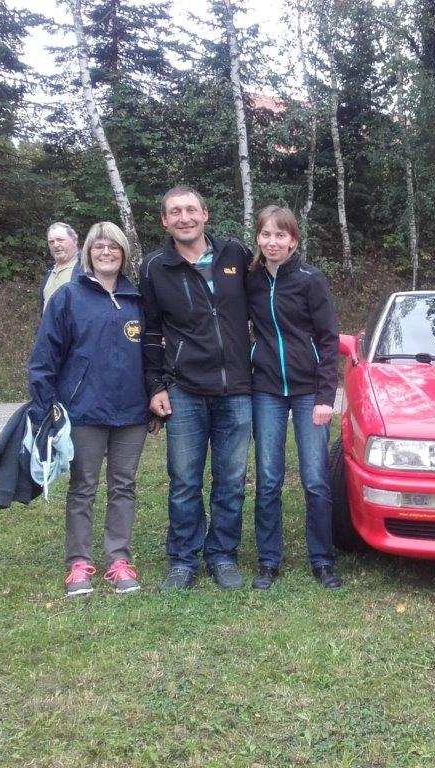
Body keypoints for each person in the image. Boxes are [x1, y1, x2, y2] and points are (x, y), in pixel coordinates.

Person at [140, 185, 254, 592]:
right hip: (184, 388)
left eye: (191, 209)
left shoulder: (235, 254)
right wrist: (155, 385)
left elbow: (267, 302)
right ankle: (183, 561)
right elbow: (151, 332)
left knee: (231, 479)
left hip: (238, 388)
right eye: (175, 212)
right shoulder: (155, 267)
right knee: (185, 480)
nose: (184, 217)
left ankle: (223, 556)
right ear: (164, 221)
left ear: (205, 214)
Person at [28, 222, 149, 597]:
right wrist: (44, 408)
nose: (106, 252)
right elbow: (44, 357)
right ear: (88, 253)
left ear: (124, 252)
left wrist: (157, 397)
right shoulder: (68, 297)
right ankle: (78, 563)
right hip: (82, 411)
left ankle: (118, 560)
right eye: (99, 247)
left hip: (132, 412)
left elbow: (154, 354)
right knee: (83, 487)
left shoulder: (137, 299)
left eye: (113, 246)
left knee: (124, 486)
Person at [246, 205, 342, 590]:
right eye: (266, 235)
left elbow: (328, 339)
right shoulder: (249, 279)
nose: (273, 242)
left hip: (308, 393)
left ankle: (322, 559)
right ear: (258, 238)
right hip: (266, 389)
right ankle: (268, 560)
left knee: (315, 479)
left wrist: (325, 396)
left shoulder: (309, 279)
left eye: (280, 235)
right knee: (268, 479)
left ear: (293, 240)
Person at [40, 223, 80, 313]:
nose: (56, 245)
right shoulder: (49, 274)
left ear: (74, 241)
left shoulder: (86, 270)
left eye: (60, 240)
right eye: (51, 242)